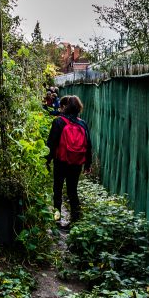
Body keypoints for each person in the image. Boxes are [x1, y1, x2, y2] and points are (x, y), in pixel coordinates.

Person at [45, 95, 92, 225]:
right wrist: (88, 164)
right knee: (72, 191)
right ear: (78, 107)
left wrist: (47, 160)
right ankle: (75, 222)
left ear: (65, 107)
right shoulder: (82, 123)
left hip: (61, 161)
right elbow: (88, 145)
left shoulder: (59, 122)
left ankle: (57, 219)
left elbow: (51, 144)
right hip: (76, 163)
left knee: (57, 190)